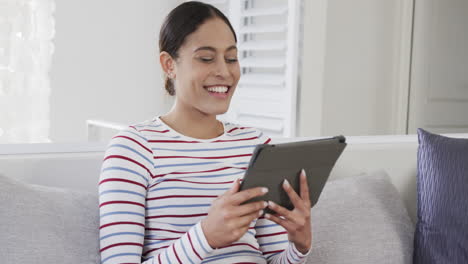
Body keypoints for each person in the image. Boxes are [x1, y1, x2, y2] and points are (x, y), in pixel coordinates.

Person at [99, 1, 312, 263]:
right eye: (206, 58)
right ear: (169, 65)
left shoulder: (256, 144)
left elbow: (275, 258)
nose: (224, 71)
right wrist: (206, 237)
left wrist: (299, 247)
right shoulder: (134, 148)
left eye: (231, 58)